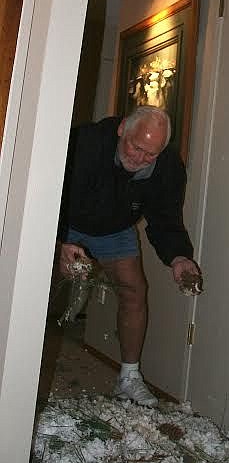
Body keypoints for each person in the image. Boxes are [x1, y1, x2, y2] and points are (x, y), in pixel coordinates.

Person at [57, 106, 201, 408]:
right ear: (122, 128)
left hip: (114, 227)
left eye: (151, 154)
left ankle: (129, 377)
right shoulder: (83, 143)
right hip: (65, 217)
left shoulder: (167, 167)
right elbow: (53, 192)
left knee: (135, 290)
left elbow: (165, 218)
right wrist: (59, 242)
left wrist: (179, 258)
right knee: (33, 283)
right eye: (136, 147)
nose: (139, 159)